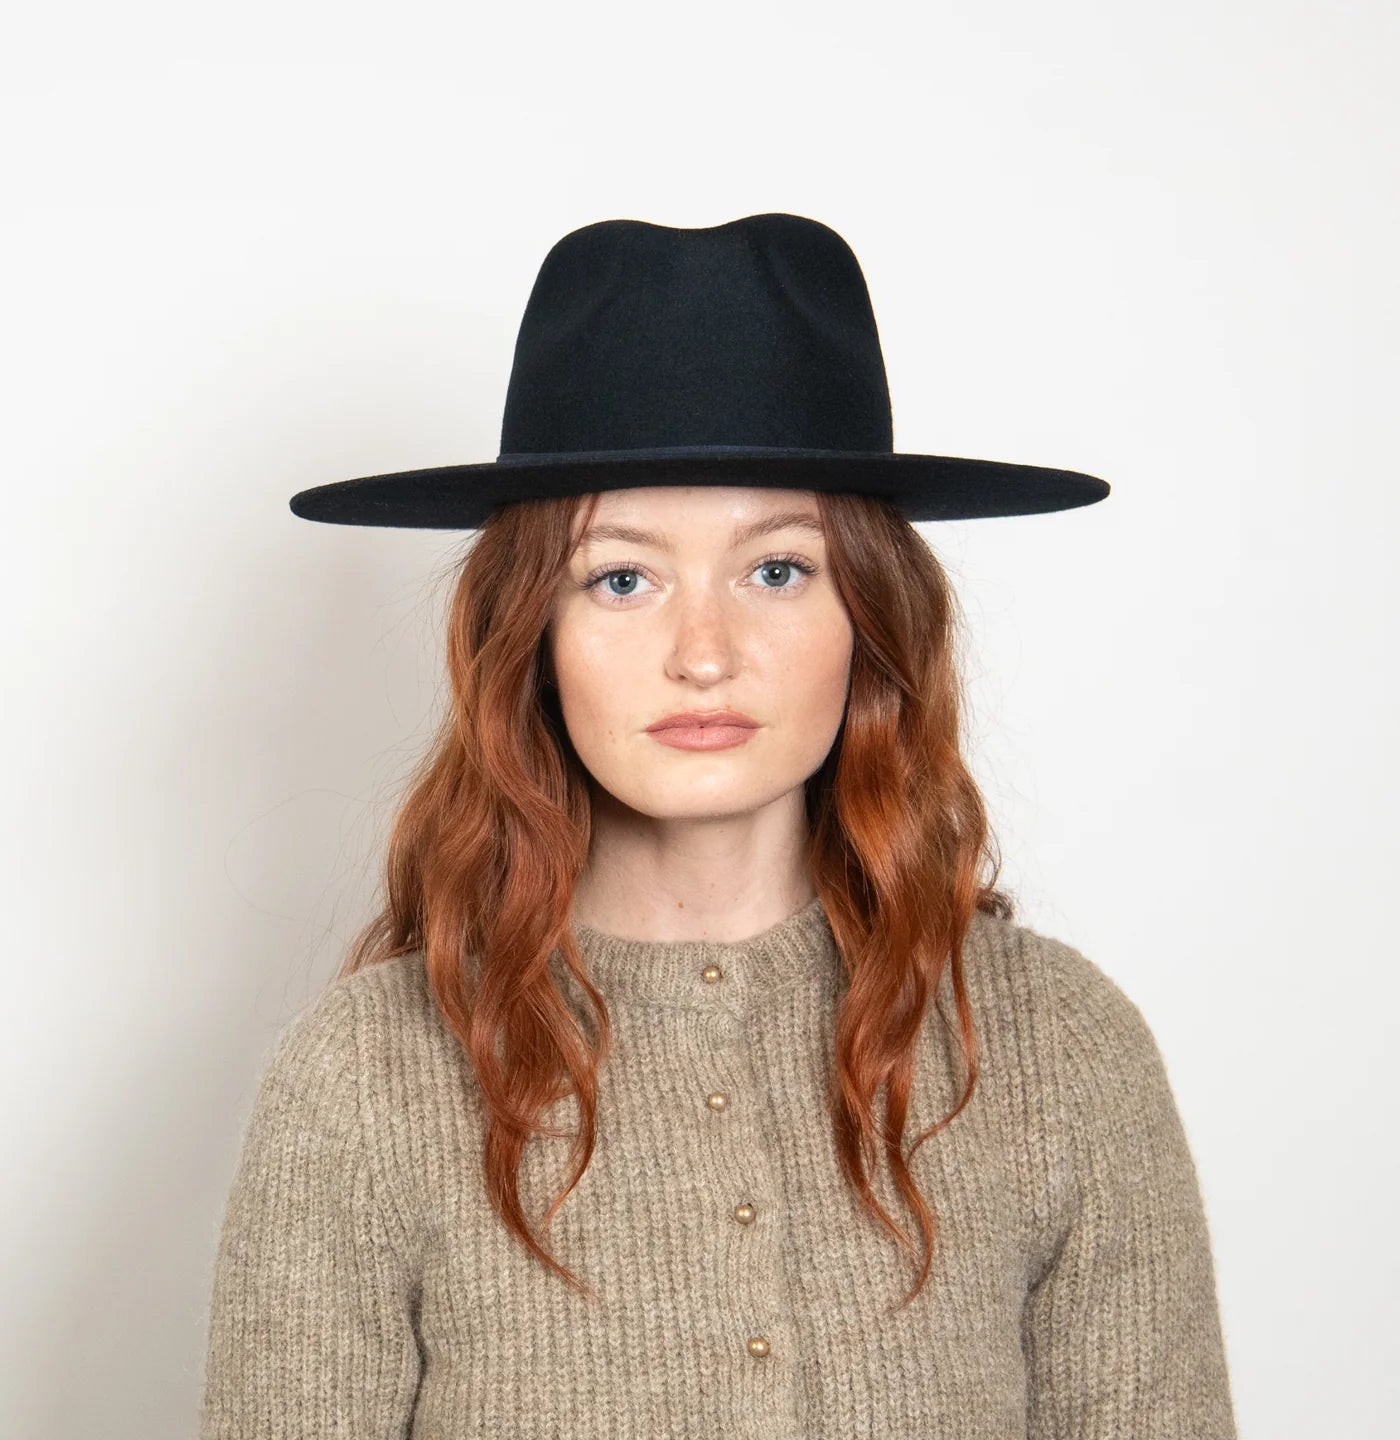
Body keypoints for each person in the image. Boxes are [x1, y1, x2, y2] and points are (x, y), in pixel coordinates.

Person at [199, 213, 1238, 1438]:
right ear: (532, 634)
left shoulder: (1057, 1048)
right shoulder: (367, 1077)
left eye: (778, 570)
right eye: (621, 578)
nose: (703, 653)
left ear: (872, 618)